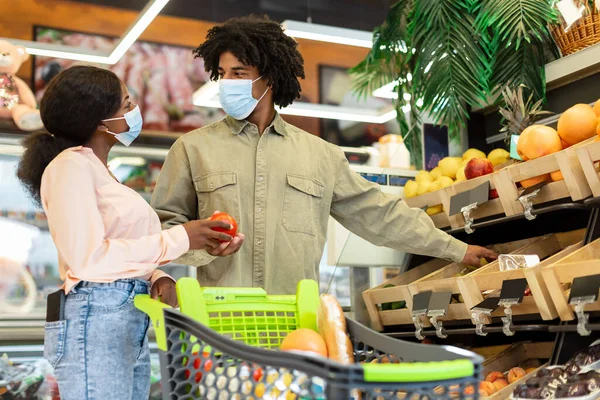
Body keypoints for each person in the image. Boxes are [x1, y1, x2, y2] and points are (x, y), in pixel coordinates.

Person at [151, 15, 497, 295]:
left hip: (297, 329)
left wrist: (458, 250)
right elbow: (159, 230)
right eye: (222, 74)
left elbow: (380, 215)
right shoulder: (192, 148)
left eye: (239, 74)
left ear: (269, 79)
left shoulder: (321, 156)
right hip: (220, 326)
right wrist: (197, 248)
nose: (227, 83)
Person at [16, 66, 234, 400]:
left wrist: (157, 276)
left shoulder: (98, 170)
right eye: (126, 104)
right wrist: (181, 238)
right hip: (95, 317)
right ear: (100, 121)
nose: (135, 112)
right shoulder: (69, 166)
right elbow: (89, 260)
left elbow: (115, 248)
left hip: (122, 316)